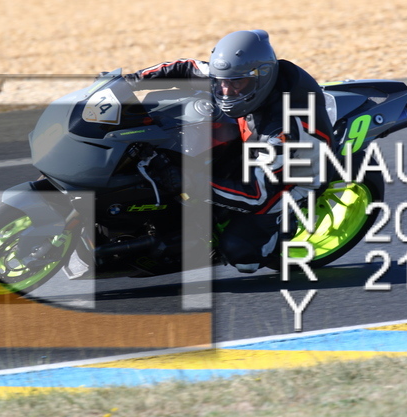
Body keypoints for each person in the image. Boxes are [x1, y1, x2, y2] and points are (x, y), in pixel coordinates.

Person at [123, 29, 336, 273]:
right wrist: (130, 81)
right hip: (254, 146)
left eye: (235, 84)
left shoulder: (282, 131)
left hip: (293, 179)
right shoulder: (237, 75)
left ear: (261, 78)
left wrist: (190, 182)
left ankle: (283, 226)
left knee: (243, 256)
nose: (225, 90)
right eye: (220, 83)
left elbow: (256, 195)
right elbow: (186, 67)